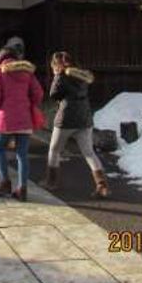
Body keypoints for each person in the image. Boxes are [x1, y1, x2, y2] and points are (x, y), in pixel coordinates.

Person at [41, 51, 109, 198]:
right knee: (89, 152)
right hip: (84, 119)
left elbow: (53, 94)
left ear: (58, 64)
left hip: (66, 119)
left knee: (54, 150)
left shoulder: (62, 76)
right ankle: (102, 185)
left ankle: (51, 182)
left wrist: (57, 76)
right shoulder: (83, 75)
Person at [0, 47, 44, 201]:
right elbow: (39, 93)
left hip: (5, 117)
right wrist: (29, 104)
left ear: (1, 58)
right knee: (22, 154)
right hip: (24, 118)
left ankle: (5, 183)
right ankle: (22, 188)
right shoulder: (27, 72)